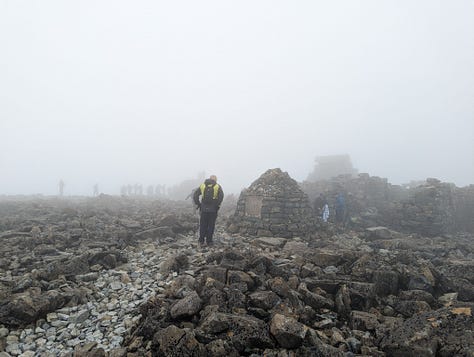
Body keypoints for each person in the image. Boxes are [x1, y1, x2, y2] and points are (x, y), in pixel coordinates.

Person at [193, 175, 224, 246]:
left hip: (203, 208)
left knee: (203, 224)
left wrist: (198, 204)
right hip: (213, 209)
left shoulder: (202, 185)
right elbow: (221, 196)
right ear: (216, 180)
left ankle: (201, 240)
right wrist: (217, 205)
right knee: (211, 225)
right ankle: (209, 241)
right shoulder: (217, 186)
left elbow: (195, 195)